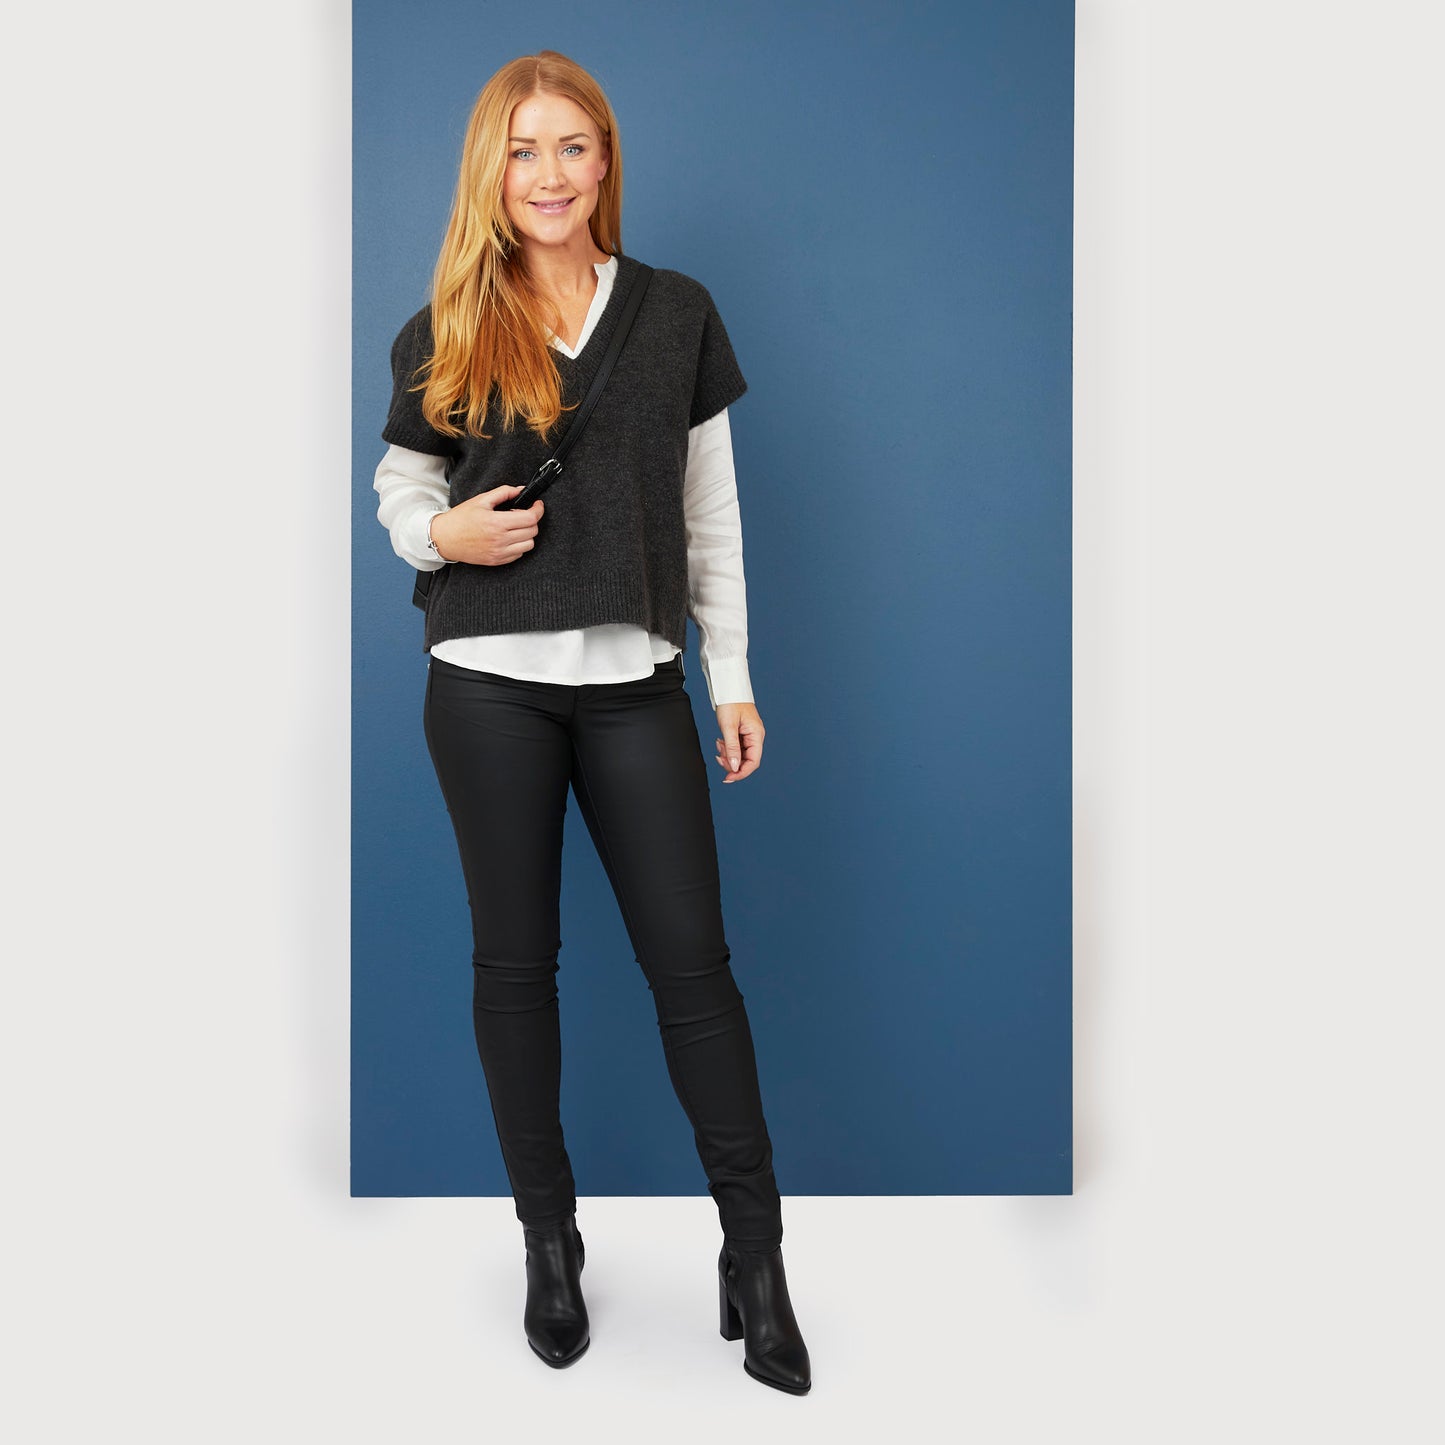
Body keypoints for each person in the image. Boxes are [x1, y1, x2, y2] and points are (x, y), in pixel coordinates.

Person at [370, 50, 810, 1395]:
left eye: (571, 146)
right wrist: (436, 535)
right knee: (515, 967)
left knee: (695, 971)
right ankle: (547, 1242)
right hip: (484, 685)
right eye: (523, 150)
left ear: (605, 161)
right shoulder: (449, 323)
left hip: (634, 686)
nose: (548, 173)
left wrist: (730, 676)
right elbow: (400, 487)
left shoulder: (676, 313)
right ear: (490, 172)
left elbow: (708, 513)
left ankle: (755, 1257)